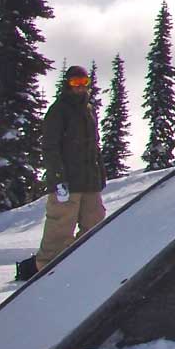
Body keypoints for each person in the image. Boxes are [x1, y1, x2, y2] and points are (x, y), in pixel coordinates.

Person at [34, 65, 106, 273]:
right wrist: (58, 177)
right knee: (60, 226)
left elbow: (94, 144)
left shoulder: (88, 109)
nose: (80, 87)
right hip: (67, 180)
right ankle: (47, 267)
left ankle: (82, 263)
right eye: (75, 82)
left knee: (95, 222)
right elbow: (50, 146)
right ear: (67, 84)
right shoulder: (59, 110)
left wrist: (100, 172)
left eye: (84, 82)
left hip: (89, 180)